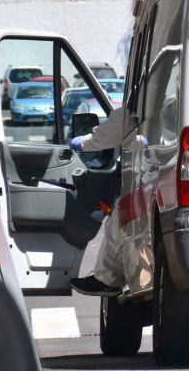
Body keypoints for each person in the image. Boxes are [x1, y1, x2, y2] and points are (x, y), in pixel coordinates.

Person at [68, 107, 131, 297]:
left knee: (119, 214)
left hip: (153, 179)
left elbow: (101, 139)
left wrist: (78, 142)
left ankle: (106, 280)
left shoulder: (129, 112)